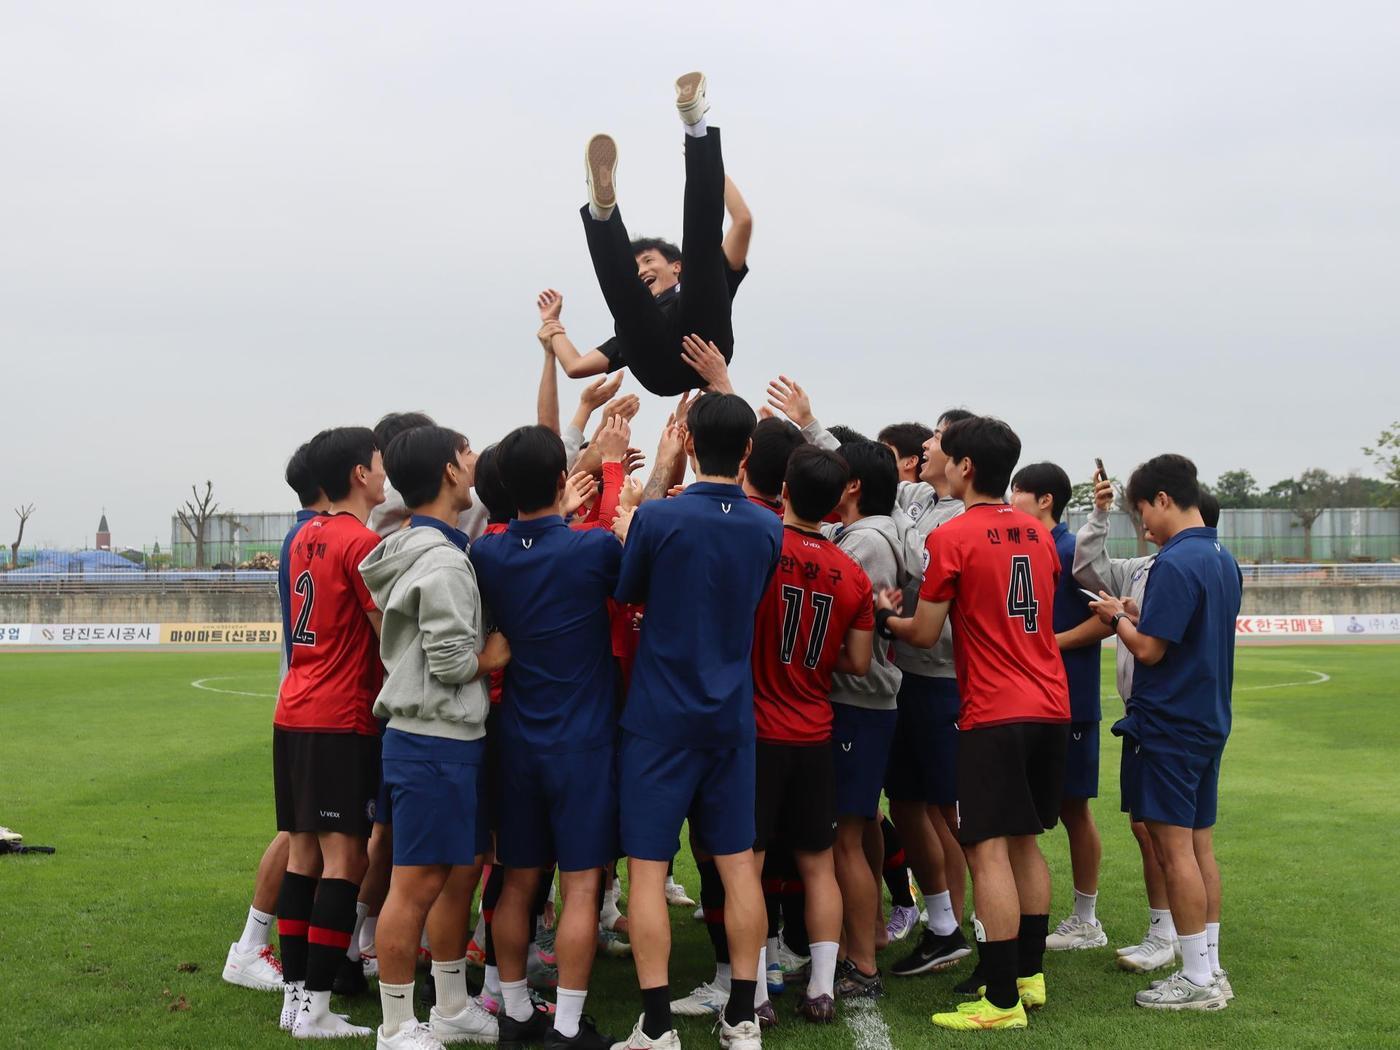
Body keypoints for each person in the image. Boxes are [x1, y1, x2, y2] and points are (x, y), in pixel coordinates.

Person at [876, 416, 1070, 1033]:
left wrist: (886, 619)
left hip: (994, 709)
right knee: (1026, 843)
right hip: (1050, 704)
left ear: (965, 467)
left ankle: (1002, 999)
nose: (938, 458)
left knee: (985, 849)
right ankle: (1030, 976)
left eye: (945, 452)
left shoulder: (954, 536)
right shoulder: (1038, 534)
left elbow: (925, 631)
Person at [609, 393, 783, 1050]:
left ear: (686, 442)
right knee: (738, 866)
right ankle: (743, 1014)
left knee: (648, 871)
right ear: (746, 452)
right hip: (730, 716)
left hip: (658, 716)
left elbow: (627, 591)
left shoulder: (659, 517)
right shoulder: (767, 526)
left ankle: (656, 1025)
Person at [471, 424, 627, 1050]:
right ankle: (565, 1026)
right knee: (582, 883)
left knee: (518, 881)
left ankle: (513, 1014)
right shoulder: (595, 550)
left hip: (517, 739)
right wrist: (611, 476)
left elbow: (521, 540)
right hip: (583, 742)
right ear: (564, 482)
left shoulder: (489, 551)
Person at [358, 425, 508, 1049]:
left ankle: (450, 1005)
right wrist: (491, 656)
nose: (475, 462)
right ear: (449, 473)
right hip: (433, 740)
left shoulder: (420, 546)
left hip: (445, 738)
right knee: (416, 883)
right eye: (467, 454)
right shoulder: (443, 560)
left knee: (454, 876)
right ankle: (396, 1026)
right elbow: (449, 663)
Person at [1088, 455, 1241, 1011]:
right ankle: (1211, 967)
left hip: (1170, 723)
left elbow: (1149, 650)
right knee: (1199, 847)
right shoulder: (1221, 554)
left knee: (1173, 849)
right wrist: (1135, 612)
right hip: (1205, 718)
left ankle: (1197, 978)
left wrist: (1115, 617)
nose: (1143, 525)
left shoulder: (1176, 562)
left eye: (1141, 512)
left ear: (1163, 499)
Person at [750, 445, 875, 1023]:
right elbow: (857, 661)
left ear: (785, 487)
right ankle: (822, 988)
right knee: (817, 865)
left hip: (757, 730)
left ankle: (752, 994)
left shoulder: (761, 544)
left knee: (745, 867)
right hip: (814, 730)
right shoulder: (852, 572)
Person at [273, 426, 387, 1038]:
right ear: (358, 475)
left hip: (293, 709)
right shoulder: (362, 542)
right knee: (346, 856)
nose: (383, 469)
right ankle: (315, 1005)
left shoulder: (304, 535)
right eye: (377, 462)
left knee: (303, 852)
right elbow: (384, 631)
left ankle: (295, 996)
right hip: (340, 715)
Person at [539, 73, 753, 396]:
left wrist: (710, 168)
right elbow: (575, 365)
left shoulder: (700, 280)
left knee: (702, 246)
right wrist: (551, 328)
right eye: (638, 265)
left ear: (675, 267)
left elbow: (742, 222)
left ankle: (696, 128)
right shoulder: (640, 315)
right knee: (625, 297)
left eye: (649, 260)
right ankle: (603, 215)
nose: (643, 270)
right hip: (657, 361)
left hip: (704, 339)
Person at [823, 441, 934, 999]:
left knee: (845, 836)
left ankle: (860, 964)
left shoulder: (866, 540)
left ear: (853, 487)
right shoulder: (871, 534)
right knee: (861, 825)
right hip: (867, 700)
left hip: (858, 698)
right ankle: (865, 938)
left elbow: (852, 626)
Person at [224, 440, 327, 993]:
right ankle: (250, 944)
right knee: (301, 831)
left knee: (314, 831)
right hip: (315, 701)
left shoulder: (303, 533)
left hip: (307, 695)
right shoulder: (318, 535)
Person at [1009, 462, 1108, 952]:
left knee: (1074, 809)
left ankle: (1087, 918)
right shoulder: (1027, 546)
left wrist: (1046, 643)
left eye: (1018, 490)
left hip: (1072, 700)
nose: (1010, 498)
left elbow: (1106, 620)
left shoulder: (1072, 550)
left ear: (1045, 500)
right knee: (1026, 814)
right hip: (1032, 699)